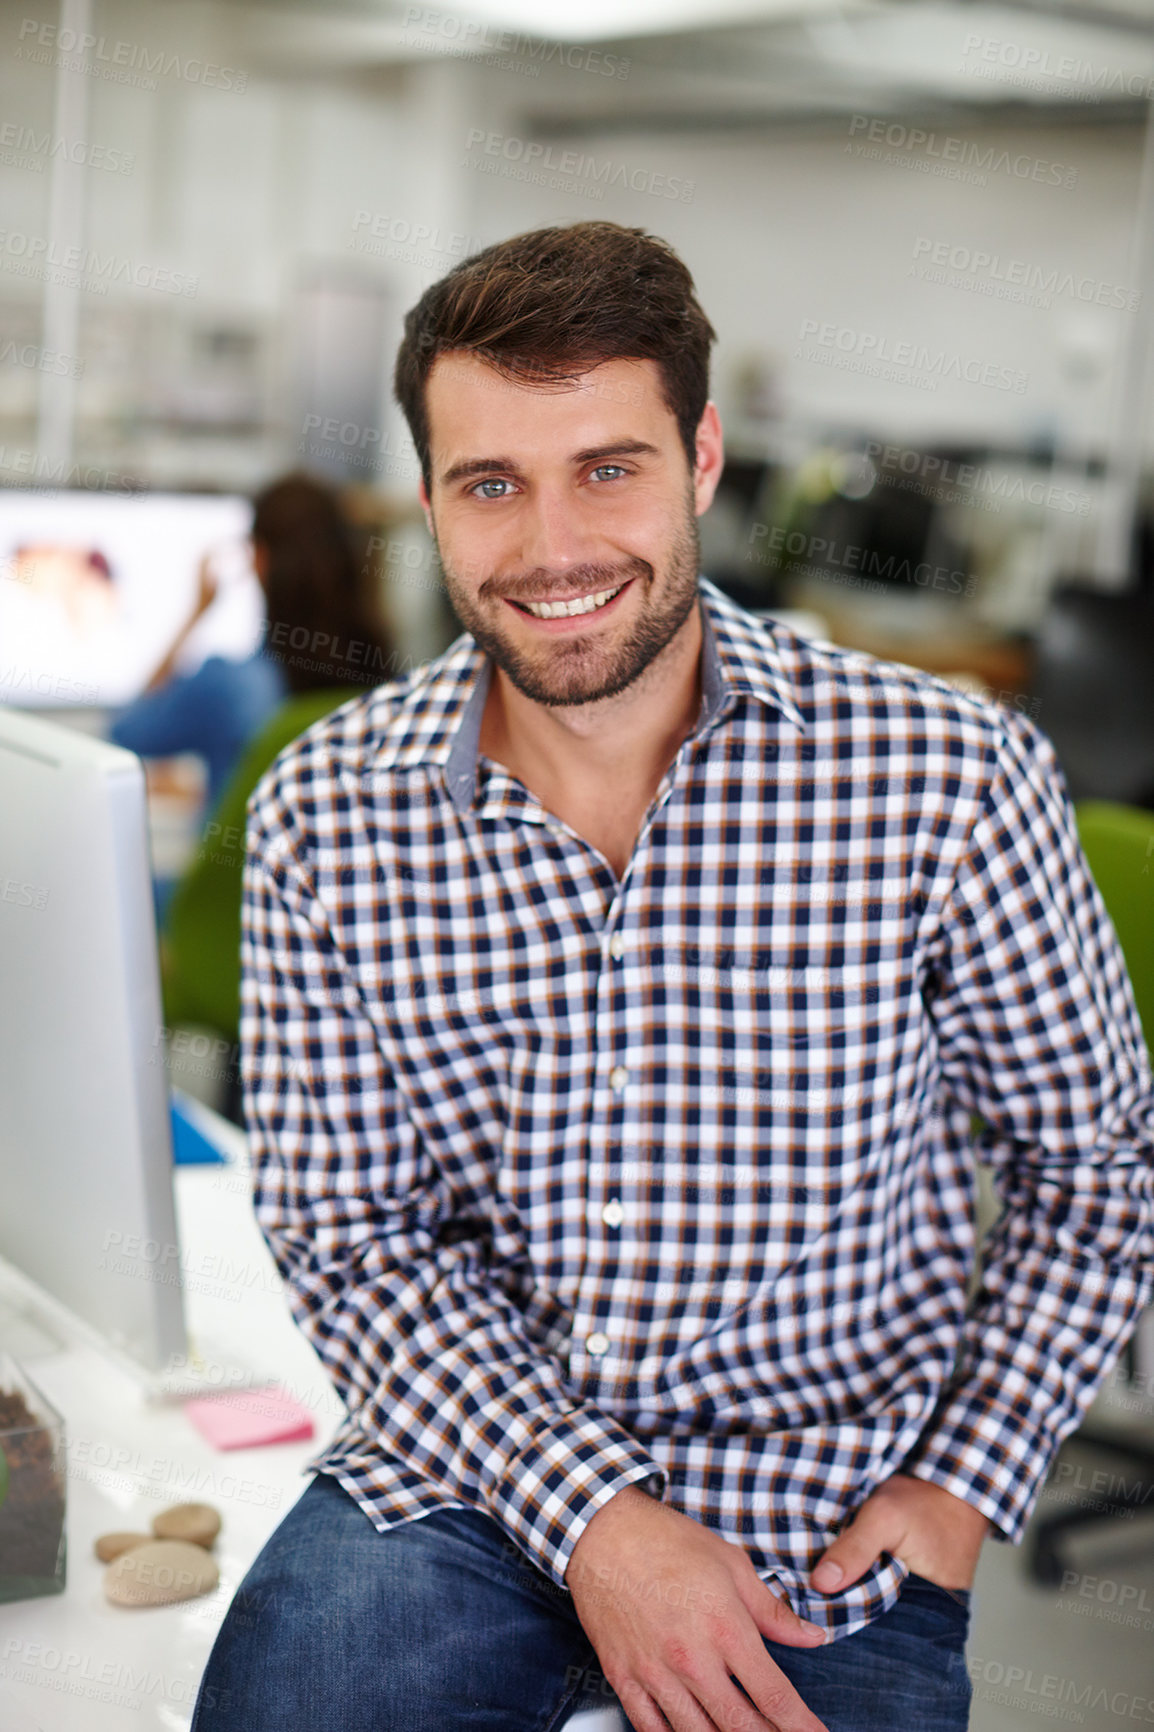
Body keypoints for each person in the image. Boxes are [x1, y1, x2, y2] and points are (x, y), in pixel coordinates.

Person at [192, 223, 1154, 1732]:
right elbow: (351, 1230)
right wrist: (601, 1524)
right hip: (475, 1477)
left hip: (829, 1507)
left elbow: (1090, 1168)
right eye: (489, 482)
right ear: (428, 503)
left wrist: (964, 1480)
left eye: (608, 467)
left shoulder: (944, 775)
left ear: (701, 457)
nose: (554, 545)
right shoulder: (327, 810)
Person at [110, 472, 386, 812]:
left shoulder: (228, 684)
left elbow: (125, 735)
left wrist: (196, 612)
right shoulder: (385, 689)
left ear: (259, 559)